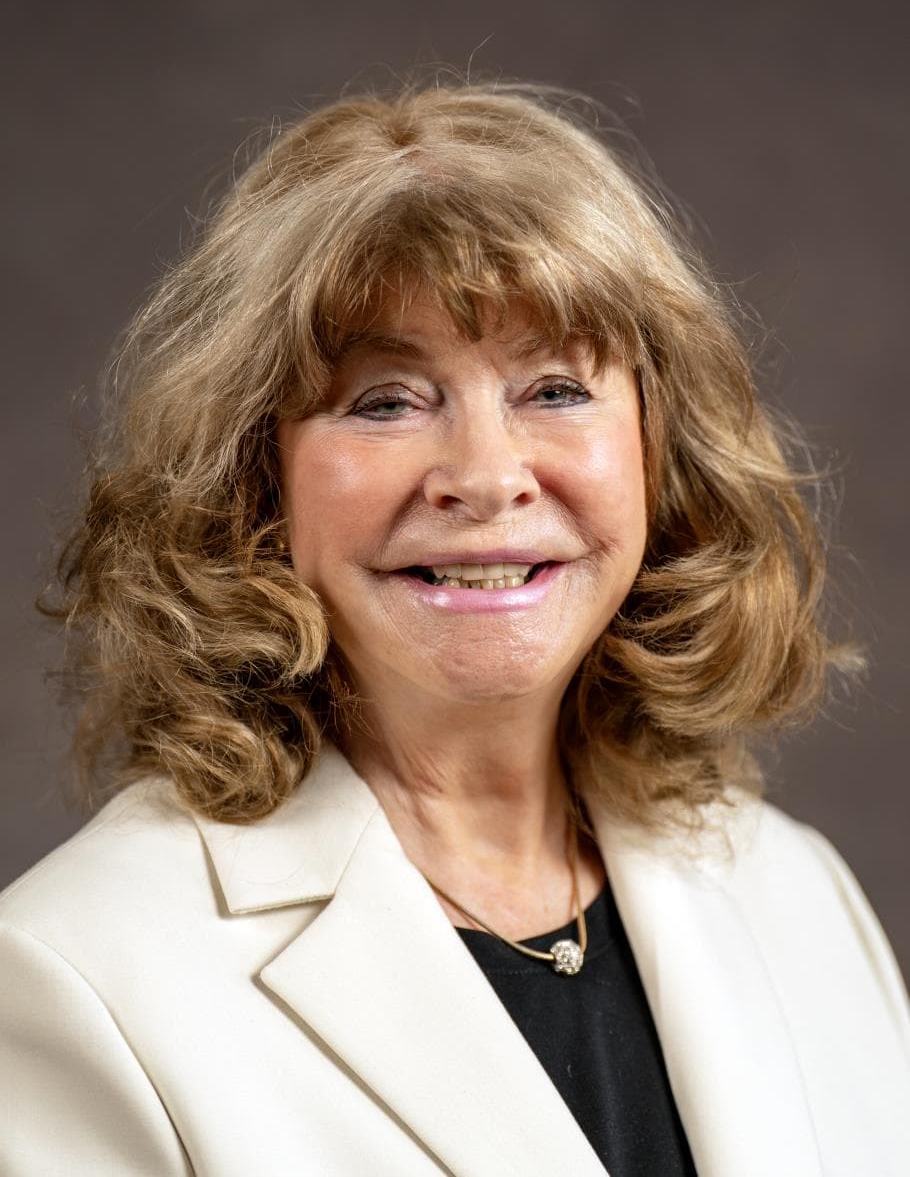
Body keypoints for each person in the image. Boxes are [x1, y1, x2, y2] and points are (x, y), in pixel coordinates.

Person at [1, 81, 908, 1177]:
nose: (486, 479)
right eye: (385, 400)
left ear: (658, 451)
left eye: (556, 389)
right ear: (253, 477)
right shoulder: (75, 977)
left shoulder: (794, 893)